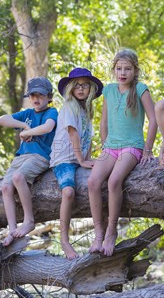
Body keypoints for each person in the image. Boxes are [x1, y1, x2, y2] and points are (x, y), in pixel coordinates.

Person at [87, 49, 157, 256]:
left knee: (113, 181)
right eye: (119, 68)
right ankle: (98, 232)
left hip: (132, 146)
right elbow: (104, 121)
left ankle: (111, 231)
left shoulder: (141, 89)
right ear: (114, 70)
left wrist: (148, 149)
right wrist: (104, 143)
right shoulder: (108, 90)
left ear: (135, 70)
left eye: (127, 68)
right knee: (92, 182)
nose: (123, 72)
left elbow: (154, 120)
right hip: (111, 147)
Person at [0, 77, 58, 247]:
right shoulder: (27, 114)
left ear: (49, 97)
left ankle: (29, 220)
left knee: (18, 178)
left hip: (40, 156)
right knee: (5, 187)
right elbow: (1, 119)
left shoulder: (51, 112)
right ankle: (11, 230)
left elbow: (48, 127)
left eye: (40, 95)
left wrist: (27, 133)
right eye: (32, 96)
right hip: (20, 157)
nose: (36, 99)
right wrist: (24, 127)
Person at [50, 68, 103, 259]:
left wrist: (87, 159)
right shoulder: (69, 107)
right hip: (64, 159)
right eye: (77, 85)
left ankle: (101, 235)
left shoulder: (86, 111)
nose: (81, 88)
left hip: (79, 159)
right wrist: (81, 160)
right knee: (69, 191)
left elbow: (86, 138)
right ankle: (64, 240)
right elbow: (73, 135)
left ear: (91, 88)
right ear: (71, 88)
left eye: (85, 85)